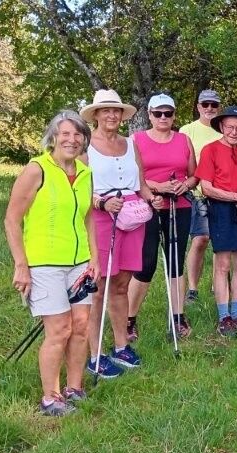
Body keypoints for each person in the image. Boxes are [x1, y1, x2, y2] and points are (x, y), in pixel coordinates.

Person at [4, 110, 99, 416]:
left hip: (79, 262)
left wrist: (94, 257)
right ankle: (51, 397)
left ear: (85, 139)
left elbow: (88, 218)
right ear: (53, 137)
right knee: (59, 329)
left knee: (81, 327)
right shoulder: (37, 169)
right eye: (65, 134)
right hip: (45, 264)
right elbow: (11, 220)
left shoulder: (85, 171)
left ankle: (74, 387)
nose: (72, 140)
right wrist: (21, 264)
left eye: (78, 134)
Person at [79, 89, 160, 377]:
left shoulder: (130, 144)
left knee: (122, 283)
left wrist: (152, 197)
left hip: (133, 217)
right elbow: (75, 190)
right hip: (101, 218)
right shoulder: (85, 148)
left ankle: (121, 345)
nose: (112, 115)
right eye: (106, 111)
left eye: (116, 111)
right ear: (96, 115)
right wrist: (101, 202)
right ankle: (94, 354)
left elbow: (141, 183)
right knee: (99, 286)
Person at [126, 94, 197, 342]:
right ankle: (129, 318)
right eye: (158, 113)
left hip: (180, 206)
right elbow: (132, 176)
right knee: (146, 264)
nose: (163, 118)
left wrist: (183, 185)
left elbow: (193, 175)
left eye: (168, 113)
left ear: (174, 115)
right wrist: (157, 188)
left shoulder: (183, 140)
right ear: (150, 115)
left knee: (176, 262)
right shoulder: (136, 140)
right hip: (147, 206)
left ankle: (177, 316)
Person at [194, 106, 237, 338]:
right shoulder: (210, 150)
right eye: (230, 127)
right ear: (221, 127)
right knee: (222, 265)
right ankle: (224, 318)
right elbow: (207, 188)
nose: (234, 131)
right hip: (221, 210)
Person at [180, 89, 222, 303]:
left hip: (223, 194)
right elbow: (181, 161)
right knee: (200, 239)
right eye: (205, 104)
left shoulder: (225, 131)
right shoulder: (187, 131)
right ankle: (193, 289)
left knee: (221, 243)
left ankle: (219, 285)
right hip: (197, 194)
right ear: (198, 106)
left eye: (213, 105)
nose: (209, 109)